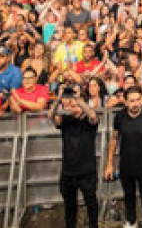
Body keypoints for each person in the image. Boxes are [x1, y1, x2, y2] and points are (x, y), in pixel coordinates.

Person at [105, 86, 142, 228]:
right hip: (126, 165)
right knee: (128, 196)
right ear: (125, 102)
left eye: (138, 100)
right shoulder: (120, 116)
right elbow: (114, 140)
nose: (135, 104)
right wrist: (109, 164)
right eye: (131, 101)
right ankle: (131, 221)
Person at [50, 83, 99, 228]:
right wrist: (59, 98)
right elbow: (50, 116)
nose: (74, 107)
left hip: (87, 172)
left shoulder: (89, 122)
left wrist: (78, 100)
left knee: (91, 204)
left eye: (76, 105)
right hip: (68, 172)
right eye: (71, 105)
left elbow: (93, 116)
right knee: (69, 207)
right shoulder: (66, 121)